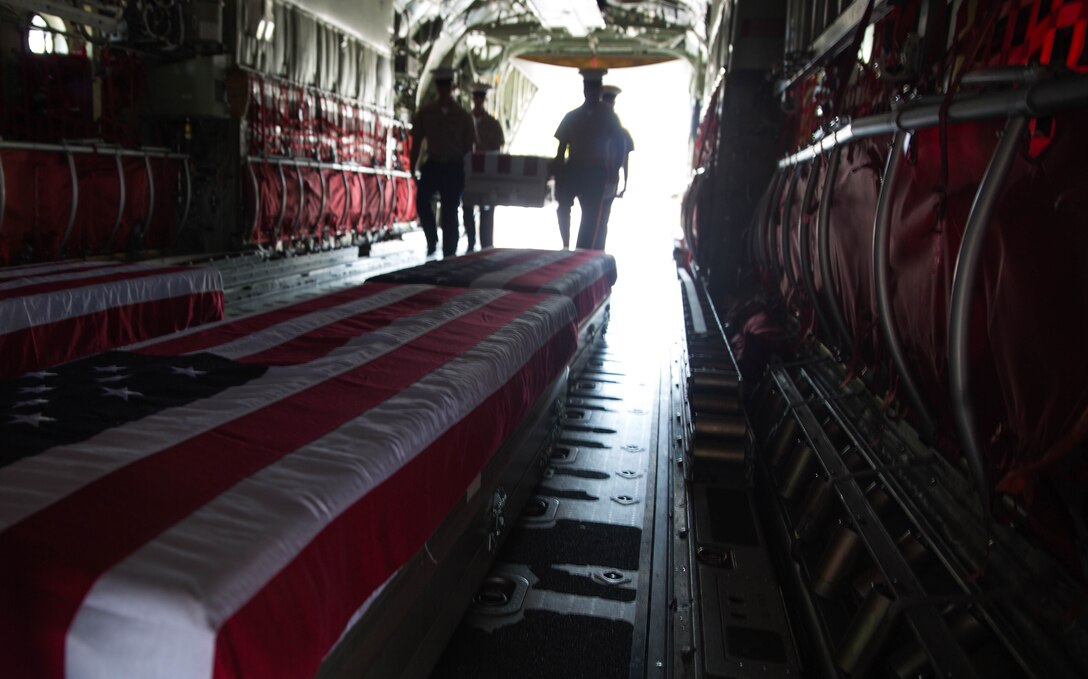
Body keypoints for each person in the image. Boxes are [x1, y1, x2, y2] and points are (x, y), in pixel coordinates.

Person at [551, 67, 625, 251]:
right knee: (563, 207)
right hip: (574, 168)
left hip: (596, 171)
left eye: (594, 88)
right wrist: (558, 174)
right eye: (588, 88)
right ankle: (565, 245)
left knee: (591, 216)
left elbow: (620, 145)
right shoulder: (572, 116)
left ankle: (581, 251)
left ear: (599, 90)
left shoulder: (609, 117)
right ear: (584, 90)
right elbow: (561, 148)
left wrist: (614, 174)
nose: (590, 92)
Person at [410, 67, 477, 256]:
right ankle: (432, 239)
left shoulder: (463, 116)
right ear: (437, 88)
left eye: (446, 86)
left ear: (452, 87)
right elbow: (416, 141)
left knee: (450, 209)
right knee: (422, 201)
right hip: (434, 163)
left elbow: (469, 149)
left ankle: (450, 251)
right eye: (441, 86)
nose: (443, 90)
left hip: (454, 167)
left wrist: (468, 174)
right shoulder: (426, 113)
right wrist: (412, 166)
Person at [463, 83, 505, 251]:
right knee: (467, 207)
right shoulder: (465, 121)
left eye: (481, 98)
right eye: (476, 98)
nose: (478, 101)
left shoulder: (493, 124)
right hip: (469, 172)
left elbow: (498, 148)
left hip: (487, 173)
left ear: (484, 100)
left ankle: (486, 244)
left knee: (487, 210)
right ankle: (471, 242)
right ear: (473, 99)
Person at [599, 84, 634, 235]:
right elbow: (625, 159)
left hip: (607, 178)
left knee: (599, 217)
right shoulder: (621, 131)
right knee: (601, 218)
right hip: (606, 178)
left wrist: (625, 183)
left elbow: (625, 159)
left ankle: (594, 249)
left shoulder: (619, 131)